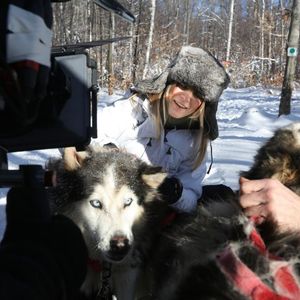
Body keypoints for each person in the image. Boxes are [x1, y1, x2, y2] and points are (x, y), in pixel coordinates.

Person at [96, 46, 232, 213]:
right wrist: (113, 156)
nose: (185, 98)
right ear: (168, 83)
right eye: (182, 85)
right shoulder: (135, 109)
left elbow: (191, 198)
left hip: (155, 212)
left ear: (204, 104)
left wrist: (175, 193)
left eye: (198, 95)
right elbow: (83, 135)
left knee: (223, 195)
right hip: (113, 203)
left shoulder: (195, 140)